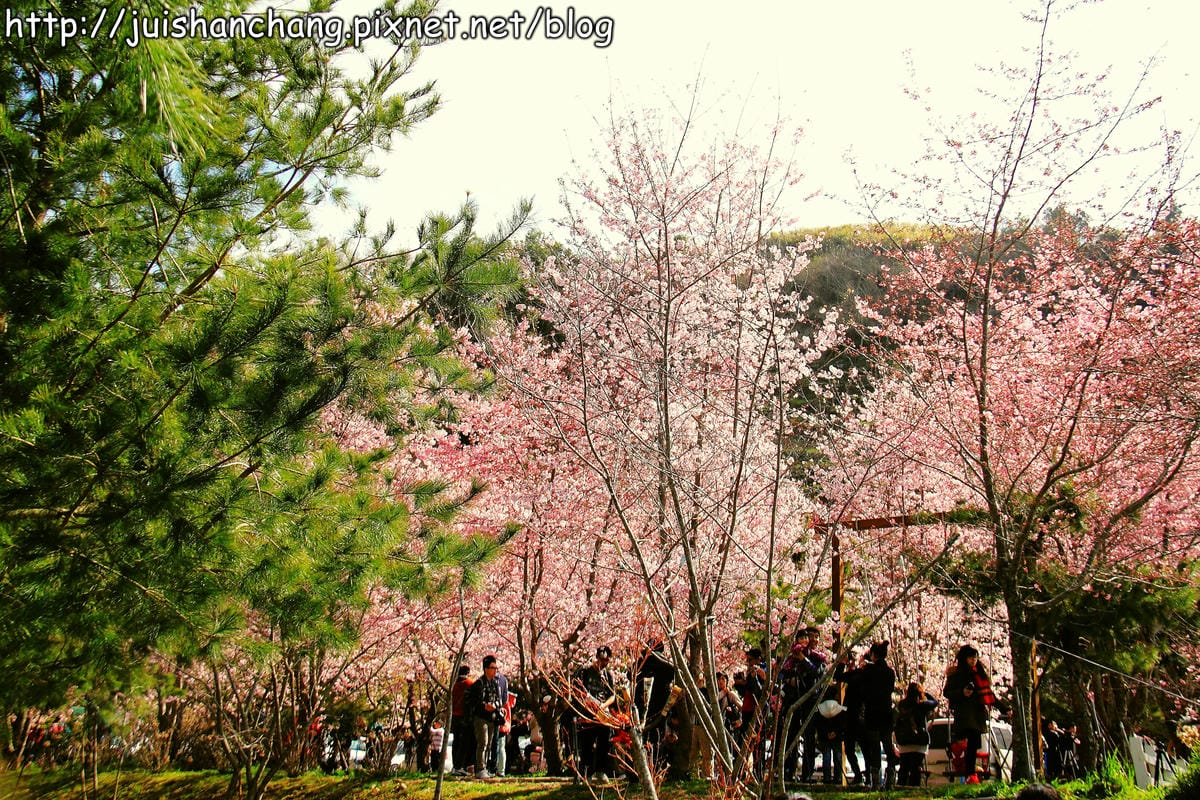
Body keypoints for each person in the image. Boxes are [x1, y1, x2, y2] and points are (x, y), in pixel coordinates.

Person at [840, 640, 896, 788]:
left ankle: (876, 782)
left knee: (875, 747)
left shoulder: (866, 672)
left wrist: (845, 664)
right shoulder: (890, 672)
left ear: (873, 655)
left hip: (872, 713)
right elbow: (890, 690)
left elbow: (843, 678)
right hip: (886, 712)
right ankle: (890, 779)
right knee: (888, 745)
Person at [780, 626, 828, 781]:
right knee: (791, 735)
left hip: (810, 700)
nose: (812, 640)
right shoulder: (793, 656)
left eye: (815, 637)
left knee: (809, 737)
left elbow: (817, 673)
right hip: (794, 699)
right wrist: (789, 680)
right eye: (809, 636)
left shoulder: (818, 657)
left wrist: (803, 660)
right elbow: (782, 673)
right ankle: (789, 770)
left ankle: (807, 773)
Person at [943, 644, 995, 782]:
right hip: (964, 713)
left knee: (972, 745)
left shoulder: (979, 674)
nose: (974, 660)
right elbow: (947, 692)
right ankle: (969, 772)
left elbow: (989, 694)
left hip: (977, 714)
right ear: (964, 658)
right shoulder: (956, 674)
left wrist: (1004, 708)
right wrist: (962, 692)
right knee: (966, 741)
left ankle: (970, 773)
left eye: (976, 658)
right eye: (971, 658)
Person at [573, 645, 618, 781]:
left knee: (604, 743)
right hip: (587, 713)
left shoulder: (608, 675)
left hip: (603, 714)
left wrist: (603, 706)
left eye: (606, 661)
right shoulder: (585, 672)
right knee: (586, 744)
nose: (603, 664)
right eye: (601, 660)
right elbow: (577, 691)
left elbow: (612, 695)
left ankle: (601, 770)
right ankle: (586, 772)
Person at [465, 654, 506, 778]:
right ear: (486, 669)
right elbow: (474, 701)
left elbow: (500, 699)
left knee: (489, 744)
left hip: (492, 717)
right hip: (481, 717)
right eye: (493, 668)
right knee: (482, 742)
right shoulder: (479, 683)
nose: (495, 670)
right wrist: (484, 706)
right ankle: (480, 768)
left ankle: (485, 768)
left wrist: (496, 706)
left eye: (496, 668)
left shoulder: (495, 683)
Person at [894, 681, 939, 786]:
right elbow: (935, 702)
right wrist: (925, 693)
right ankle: (914, 788)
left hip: (904, 741)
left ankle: (900, 787)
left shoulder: (902, 704)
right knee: (916, 767)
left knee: (904, 767)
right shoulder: (922, 705)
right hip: (919, 741)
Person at [450, 665, 475, 773]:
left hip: (454, 716)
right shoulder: (469, 683)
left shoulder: (454, 685)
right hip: (465, 717)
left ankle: (455, 765)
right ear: (468, 672)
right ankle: (461, 766)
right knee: (465, 742)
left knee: (456, 742)